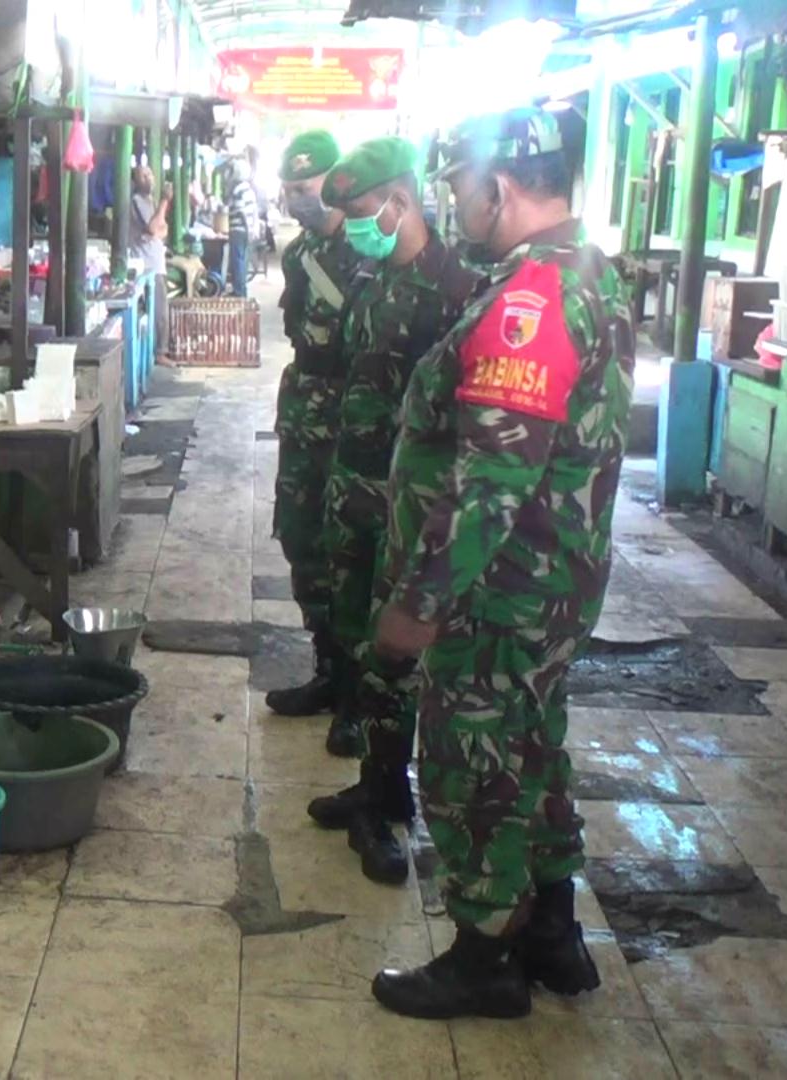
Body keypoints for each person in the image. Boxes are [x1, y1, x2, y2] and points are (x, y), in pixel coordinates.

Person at [369, 106, 634, 1020]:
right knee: (530, 747)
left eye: (456, 190)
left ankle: (485, 955)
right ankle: (554, 934)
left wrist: (419, 601)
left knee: (473, 759)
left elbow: (492, 480)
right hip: (555, 585)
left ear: (499, 188)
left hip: (502, 590)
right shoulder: (578, 270)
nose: (453, 207)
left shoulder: (531, 299)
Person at [308, 137, 478, 885]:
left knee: (394, 656)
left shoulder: (458, 290)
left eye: (362, 212)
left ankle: (391, 808)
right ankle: (374, 786)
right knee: (354, 632)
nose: (353, 228)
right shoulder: (376, 281)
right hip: (357, 489)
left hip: (414, 505)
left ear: (400, 203)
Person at [266, 130, 367, 719]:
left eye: (304, 187)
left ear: (333, 184)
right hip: (305, 417)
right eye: (289, 188)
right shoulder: (299, 253)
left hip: (356, 425)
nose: (296, 198)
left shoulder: (368, 250)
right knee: (303, 541)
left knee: (352, 553)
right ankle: (328, 670)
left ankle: (359, 693)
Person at [130, 166, 174, 362]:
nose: (149, 178)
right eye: (143, 176)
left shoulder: (150, 201)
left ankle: (159, 350)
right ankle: (160, 352)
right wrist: (165, 201)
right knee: (159, 311)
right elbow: (153, 228)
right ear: (135, 182)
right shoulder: (137, 201)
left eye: (150, 174)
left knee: (160, 308)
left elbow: (163, 229)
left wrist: (157, 226)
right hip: (147, 264)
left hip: (157, 261)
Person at [224, 156, 263, 298]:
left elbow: (241, 212)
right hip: (245, 230)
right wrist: (252, 230)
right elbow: (253, 212)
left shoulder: (238, 189)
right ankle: (241, 289)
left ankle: (239, 291)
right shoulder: (248, 189)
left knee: (237, 260)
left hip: (238, 230)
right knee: (242, 260)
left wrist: (248, 229)